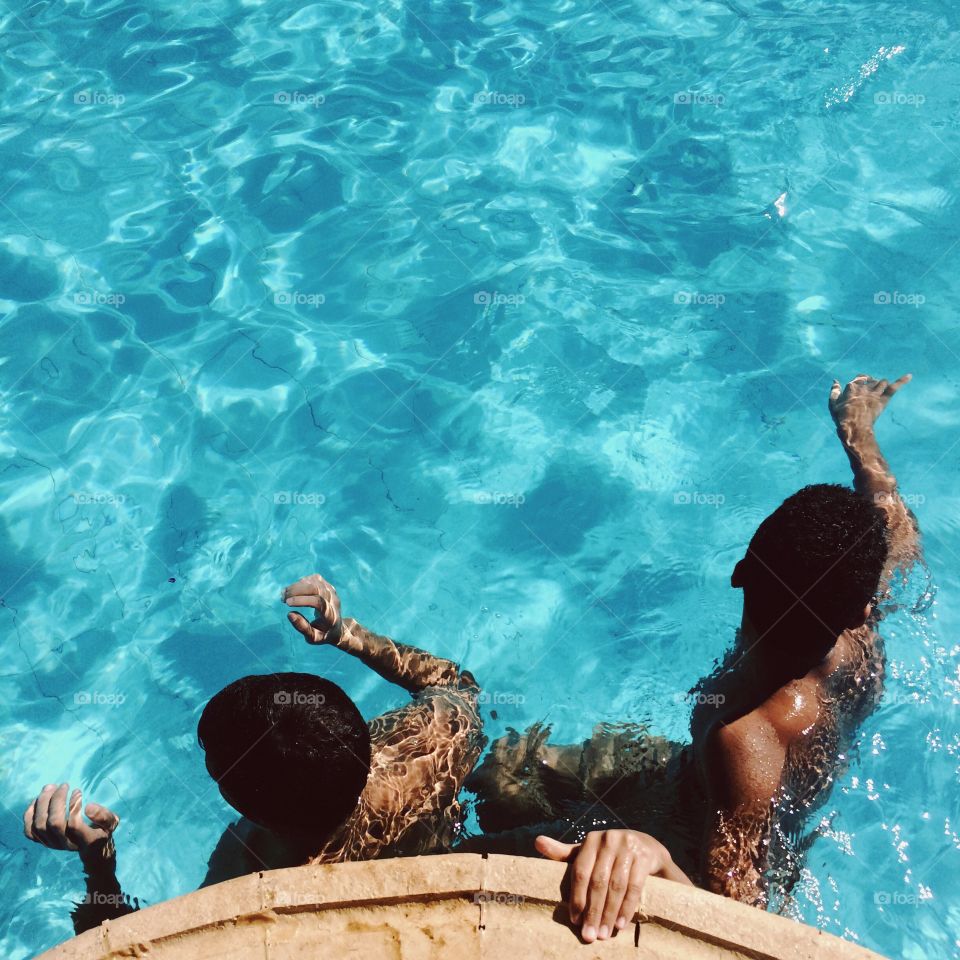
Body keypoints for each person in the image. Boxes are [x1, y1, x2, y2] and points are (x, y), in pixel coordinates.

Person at [463, 373, 921, 942]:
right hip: (711, 791)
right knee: (511, 771)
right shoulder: (861, 638)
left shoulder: (746, 736)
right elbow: (894, 530)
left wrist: (652, 854)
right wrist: (859, 438)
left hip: (683, 825)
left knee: (490, 799)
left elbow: (738, 919)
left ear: (739, 574)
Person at [23, 574, 485, 934]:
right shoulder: (431, 745)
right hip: (446, 837)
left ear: (242, 804)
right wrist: (347, 634)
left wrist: (97, 861)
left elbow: (134, 949)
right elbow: (455, 684)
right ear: (357, 732)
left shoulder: (251, 876)